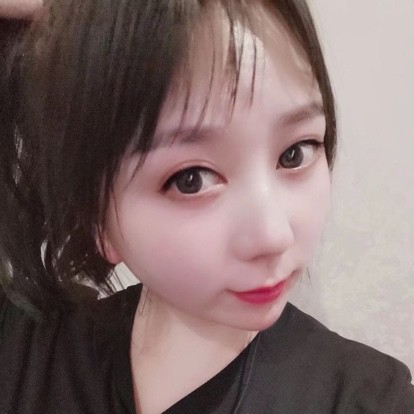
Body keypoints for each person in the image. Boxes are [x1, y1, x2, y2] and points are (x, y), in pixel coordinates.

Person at [0, 0, 413, 413]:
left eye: (296, 153)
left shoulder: (368, 399)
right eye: (191, 179)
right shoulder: (27, 351)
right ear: (95, 219)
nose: (274, 235)